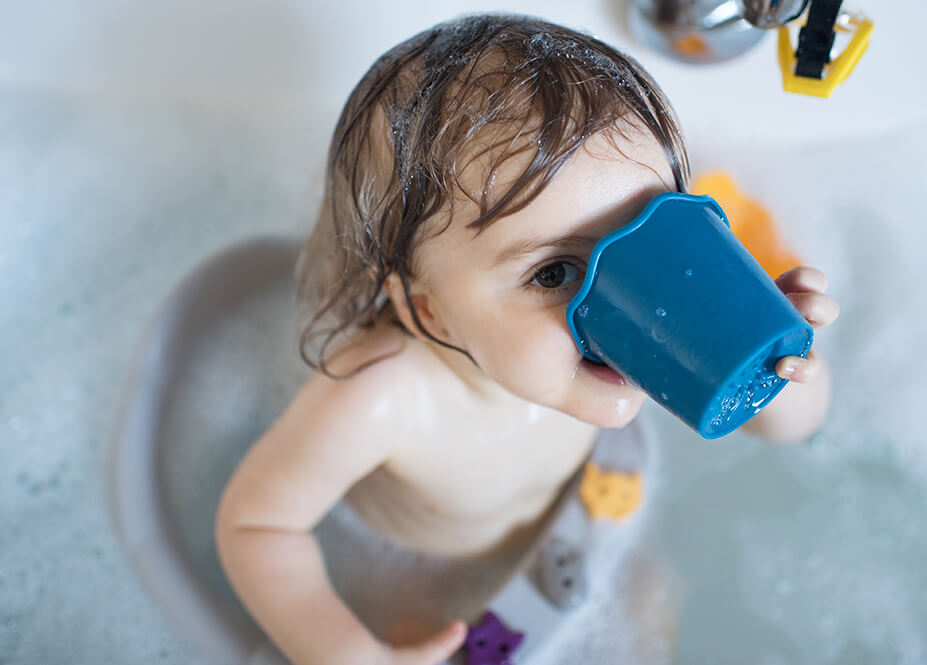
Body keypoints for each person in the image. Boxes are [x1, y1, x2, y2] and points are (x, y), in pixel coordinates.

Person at [214, 13, 839, 665]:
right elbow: (257, 525)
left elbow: (789, 427)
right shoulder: (380, 397)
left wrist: (786, 365)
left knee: (650, 607)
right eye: (556, 272)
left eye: (652, 235)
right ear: (430, 311)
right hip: (426, 581)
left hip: (581, 523)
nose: (625, 296)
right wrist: (349, 653)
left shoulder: (633, 338)